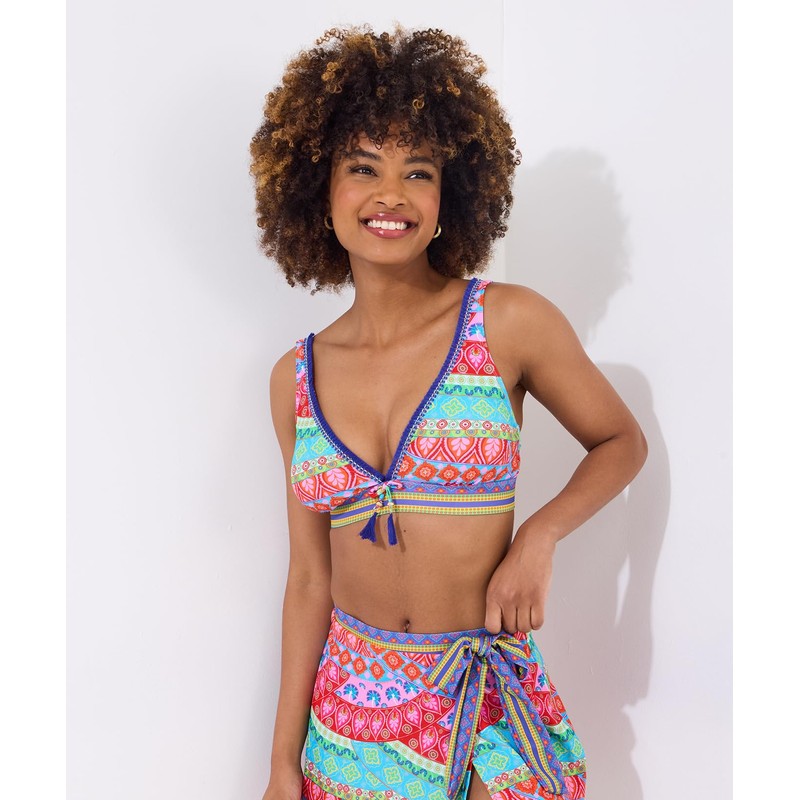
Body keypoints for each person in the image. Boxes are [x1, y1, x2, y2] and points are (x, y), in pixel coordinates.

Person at [250, 26, 647, 800]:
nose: (391, 194)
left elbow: (620, 440)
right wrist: (281, 765)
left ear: (449, 197)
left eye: (418, 172)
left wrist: (539, 536)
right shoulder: (294, 379)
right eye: (362, 167)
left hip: (483, 704)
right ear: (317, 190)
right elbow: (307, 580)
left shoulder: (508, 323)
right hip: (349, 724)